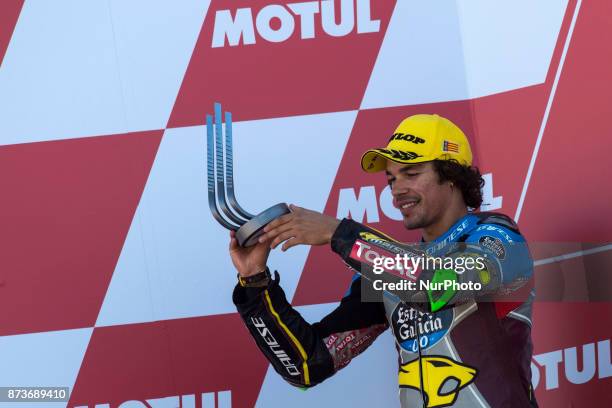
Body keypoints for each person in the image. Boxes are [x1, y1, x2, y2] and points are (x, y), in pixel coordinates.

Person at [230, 114, 537, 407]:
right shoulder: (387, 270)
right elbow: (307, 366)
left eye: (412, 173)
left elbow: (436, 287)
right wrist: (256, 282)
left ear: (452, 175)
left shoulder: (497, 238)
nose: (397, 189)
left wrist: (339, 233)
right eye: (391, 178)